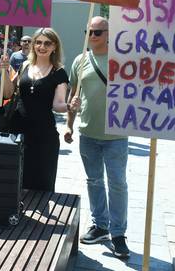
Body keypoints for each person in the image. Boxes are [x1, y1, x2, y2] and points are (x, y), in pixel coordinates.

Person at [66, 16, 130, 258]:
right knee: (93, 181)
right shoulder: (79, 60)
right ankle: (100, 225)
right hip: (88, 133)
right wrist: (69, 125)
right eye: (89, 32)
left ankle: (118, 234)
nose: (92, 36)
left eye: (97, 32)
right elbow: (74, 94)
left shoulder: (122, 60)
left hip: (116, 135)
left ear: (109, 33)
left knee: (117, 184)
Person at [11, 28, 71, 191]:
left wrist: (69, 106)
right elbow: (8, 92)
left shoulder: (59, 72)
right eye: (38, 42)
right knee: (15, 182)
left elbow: (58, 104)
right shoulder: (24, 65)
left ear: (54, 47)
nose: (41, 46)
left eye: (47, 43)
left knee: (42, 185)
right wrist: (4, 72)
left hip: (44, 136)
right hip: (18, 132)